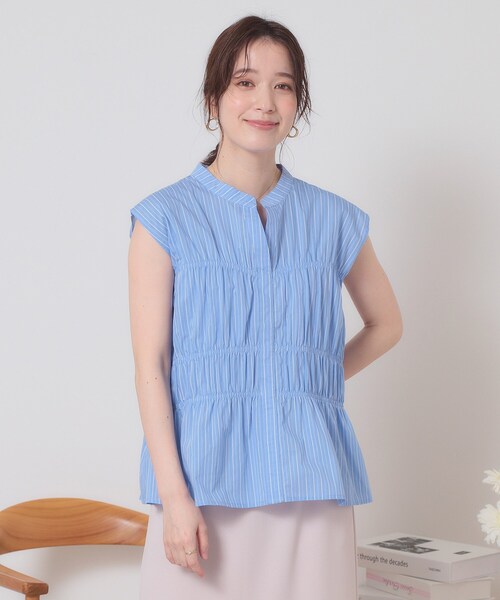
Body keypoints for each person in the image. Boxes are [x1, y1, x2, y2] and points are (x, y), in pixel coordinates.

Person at [128, 14, 403, 600]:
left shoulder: (334, 218)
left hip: (312, 483)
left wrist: (306, 376)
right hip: (201, 487)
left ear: (298, 103)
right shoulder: (163, 218)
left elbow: (386, 325)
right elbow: (152, 365)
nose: (265, 102)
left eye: (283, 85)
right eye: (245, 82)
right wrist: (174, 498)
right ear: (214, 98)